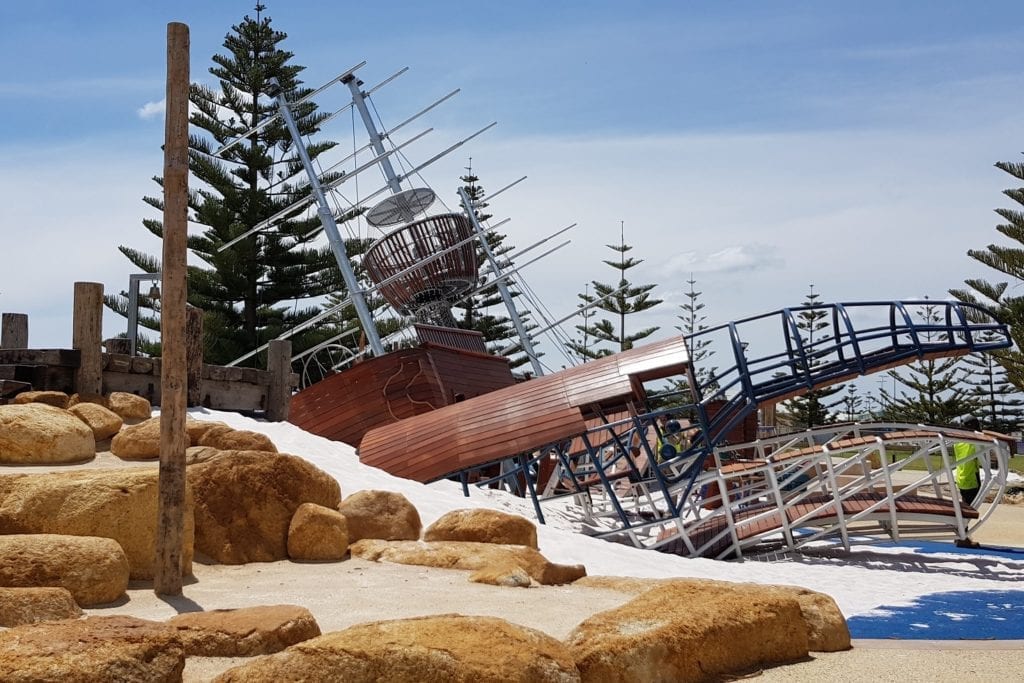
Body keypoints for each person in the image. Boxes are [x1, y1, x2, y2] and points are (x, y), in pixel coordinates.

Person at [953, 416, 982, 548]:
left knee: (965, 507)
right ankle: (962, 538)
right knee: (968, 510)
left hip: (961, 477)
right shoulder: (973, 441)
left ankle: (960, 535)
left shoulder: (958, 441)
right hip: (971, 479)